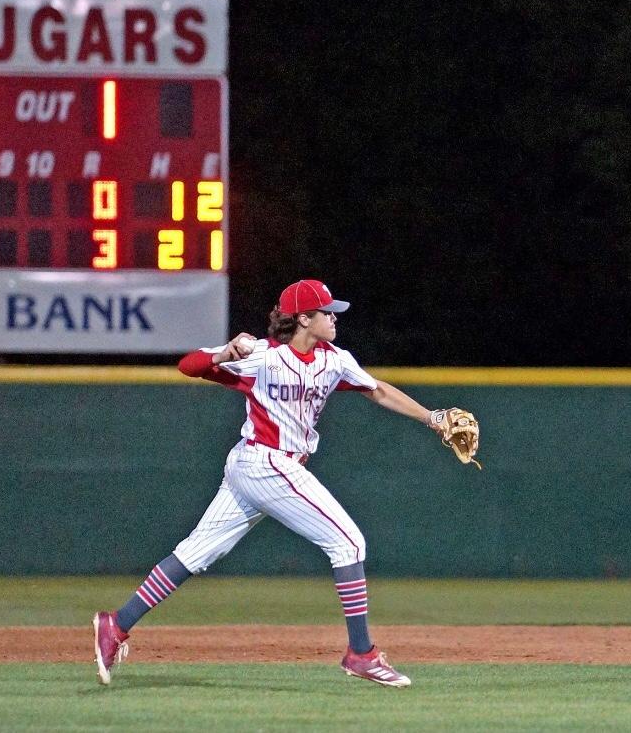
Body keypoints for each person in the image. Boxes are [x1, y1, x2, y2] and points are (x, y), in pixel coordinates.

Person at [93, 279, 479, 688]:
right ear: (304, 319)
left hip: (258, 468)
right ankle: (361, 654)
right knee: (347, 542)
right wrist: (224, 352)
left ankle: (115, 625)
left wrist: (433, 418)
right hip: (265, 461)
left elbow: (378, 390)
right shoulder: (261, 356)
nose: (334, 318)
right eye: (327, 312)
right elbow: (188, 365)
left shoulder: (335, 359)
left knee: (195, 552)